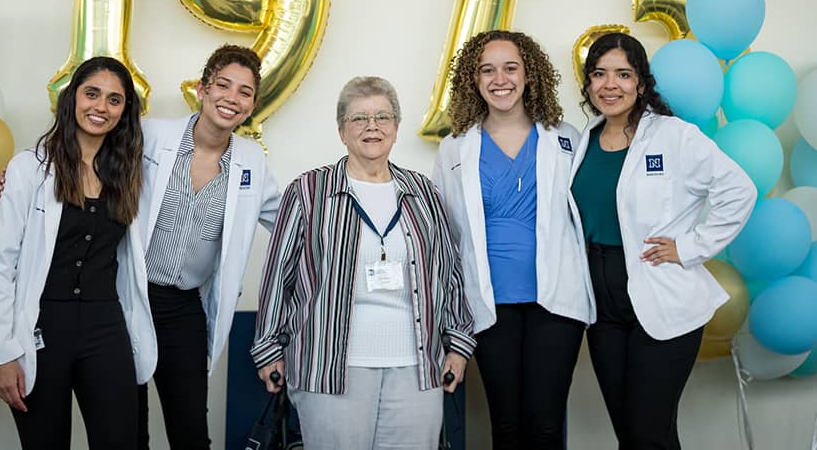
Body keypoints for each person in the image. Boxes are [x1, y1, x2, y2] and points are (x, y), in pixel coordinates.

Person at [251, 76, 475, 450]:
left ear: (396, 128)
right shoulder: (308, 190)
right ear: (342, 131)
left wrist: (458, 343)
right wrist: (269, 348)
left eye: (382, 117)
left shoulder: (424, 193)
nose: (372, 126)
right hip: (329, 367)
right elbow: (278, 276)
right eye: (359, 119)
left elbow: (449, 273)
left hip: (417, 369)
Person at [568, 32, 756, 449]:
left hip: (661, 295)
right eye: (599, 74)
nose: (609, 85)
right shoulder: (586, 140)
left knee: (647, 432)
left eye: (622, 74)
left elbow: (739, 191)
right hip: (603, 305)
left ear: (641, 82)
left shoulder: (674, 137)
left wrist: (689, 247)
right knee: (632, 433)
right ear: (588, 84)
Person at [0, 57, 156, 449]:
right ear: (72, 98)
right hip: (41, 331)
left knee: (122, 440)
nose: (101, 107)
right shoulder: (29, 168)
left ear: (125, 113)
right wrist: (2, 355)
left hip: (106, 325)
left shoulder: (130, 174)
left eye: (114, 100)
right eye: (92, 94)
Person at [433, 30, 594, 449]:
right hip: (488, 303)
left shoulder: (566, 138)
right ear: (474, 79)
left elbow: (587, 215)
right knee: (505, 425)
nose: (499, 78)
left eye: (510, 67)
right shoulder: (454, 148)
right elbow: (444, 233)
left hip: (555, 301)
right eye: (487, 69)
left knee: (545, 424)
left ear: (529, 75)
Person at [137, 44, 281, 449]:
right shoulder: (153, 136)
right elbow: (87, 155)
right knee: (127, 429)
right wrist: (27, 169)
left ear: (252, 106)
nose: (231, 98)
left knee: (191, 434)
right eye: (223, 85)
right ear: (202, 89)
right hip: (129, 296)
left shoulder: (252, 161)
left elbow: (292, 220)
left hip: (183, 309)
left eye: (244, 92)